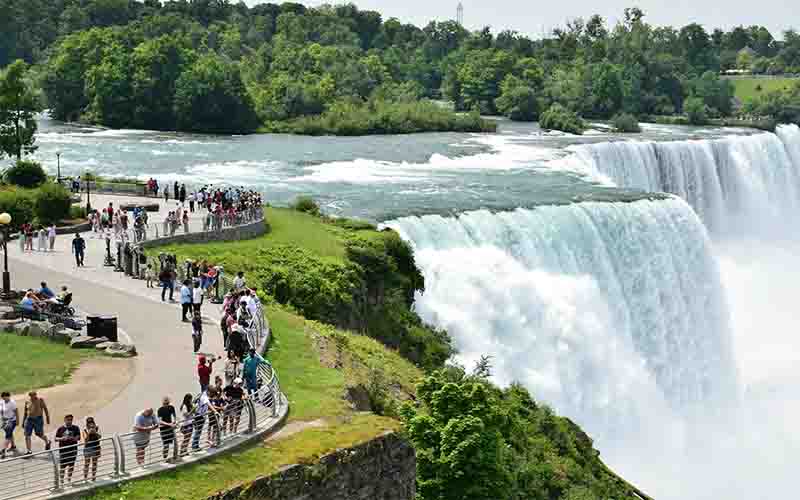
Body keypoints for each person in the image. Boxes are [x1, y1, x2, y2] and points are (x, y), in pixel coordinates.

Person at [55, 414, 80, 483]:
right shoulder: (60, 429)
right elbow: (56, 438)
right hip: (63, 451)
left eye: (71, 420)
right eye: (68, 420)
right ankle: (61, 481)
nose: (69, 421)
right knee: (62, 466)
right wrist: (62, 438)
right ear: (65, 420)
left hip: (73, 450)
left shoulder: (76, 428)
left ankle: (69, 480)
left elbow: (78, 437)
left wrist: (73, 438)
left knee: (71, 466)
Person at [82, 417, 101, 481]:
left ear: (94, 422)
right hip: (88, 448)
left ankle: (93, 477)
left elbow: (100, 437)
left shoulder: (97, 428)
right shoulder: (84, 430)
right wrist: (89, 433)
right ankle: (85, 478)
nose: (91, 424)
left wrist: (95, 432)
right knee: (86, 464)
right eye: (89, 423)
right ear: (87, 424)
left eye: (92, 422)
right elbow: (85, 440)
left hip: (96, 447)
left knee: (94, 463)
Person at [1, 392, 18, 459]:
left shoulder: (12, 402)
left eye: (4, 397)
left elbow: (16, 411)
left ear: (8, 396)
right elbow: (1, 411)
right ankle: (13, 446)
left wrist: (17, 421)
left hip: (12, 421)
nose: (3, 398)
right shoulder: (2, 402)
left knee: (8, 435)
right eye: (2, 397)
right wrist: (2, 420)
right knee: (9, 433)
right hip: (5, 421)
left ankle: (3, 450)